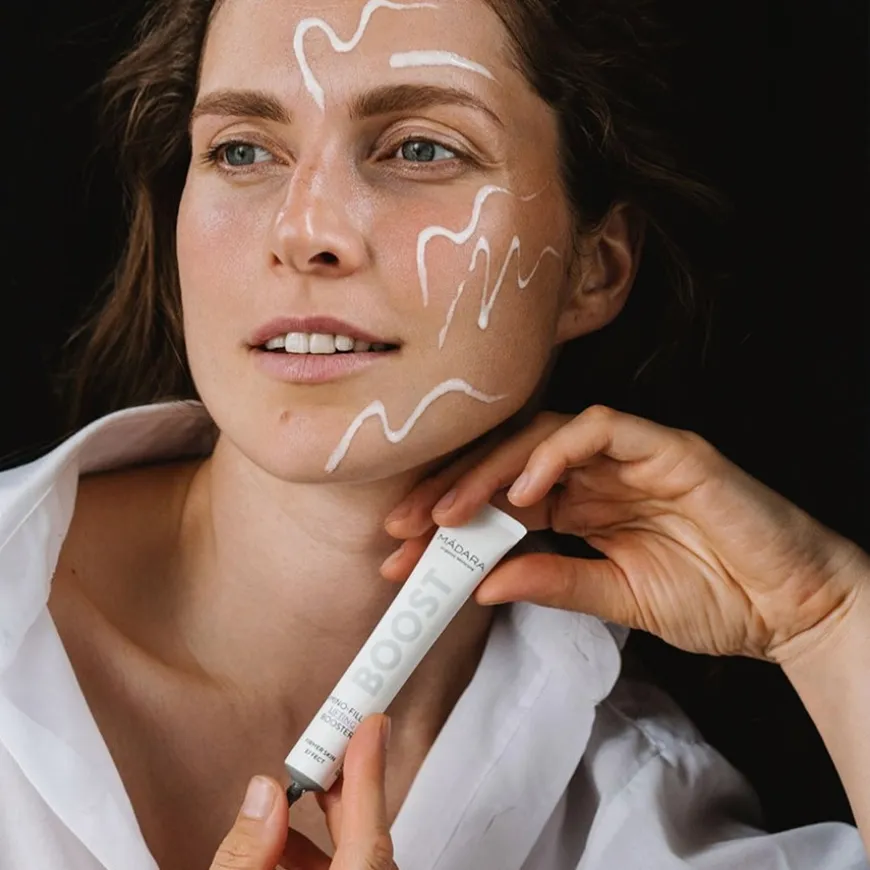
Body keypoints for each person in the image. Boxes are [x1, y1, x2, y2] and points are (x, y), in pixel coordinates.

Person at [0, 1, 866, 869]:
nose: (304, 232)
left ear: (593, 269)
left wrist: (827, 616)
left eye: (420, 149)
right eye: (242, 151)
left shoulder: (623, 811)